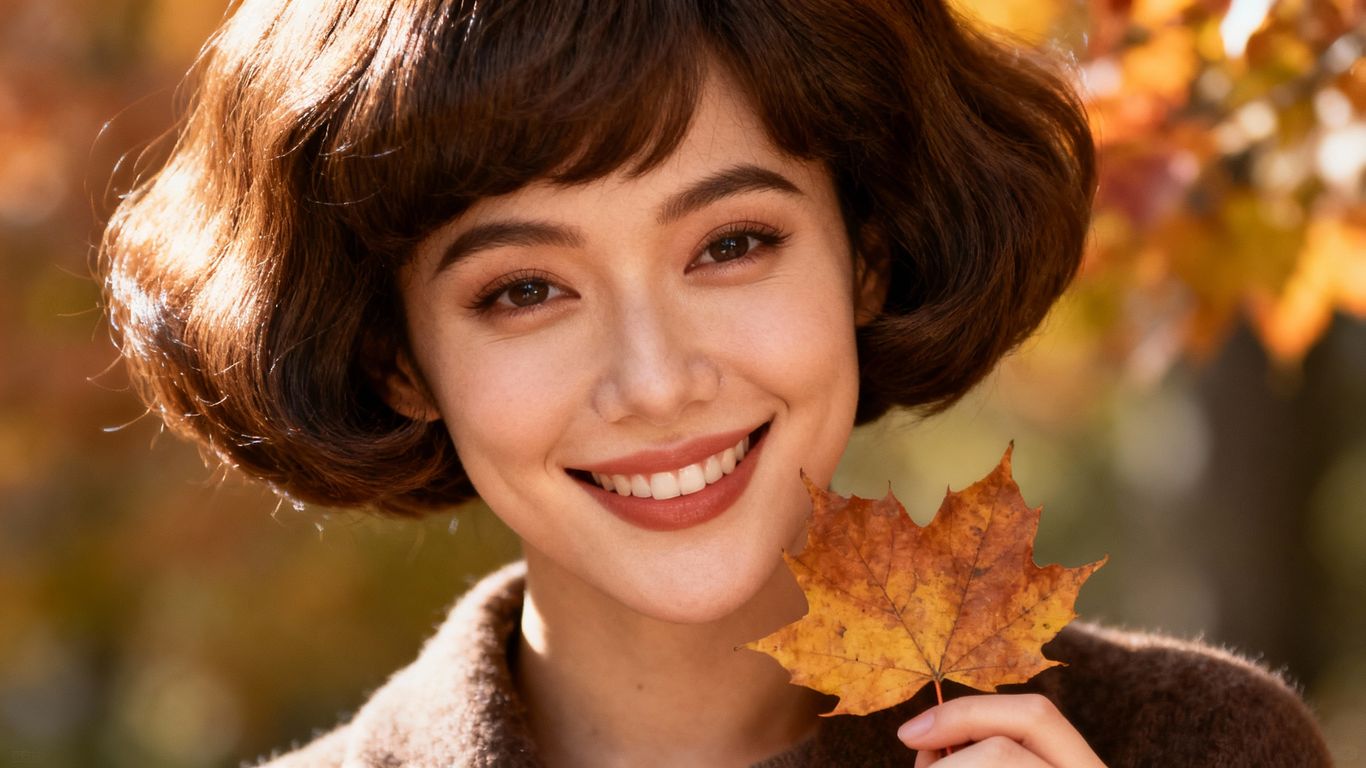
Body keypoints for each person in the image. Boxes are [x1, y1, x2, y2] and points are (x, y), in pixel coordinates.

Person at [99, 0, 1331, 765]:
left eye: (731, 244)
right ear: (397, 358)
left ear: (868, 253)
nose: (655, 380)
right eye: (523, 290)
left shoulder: (1191, 748)